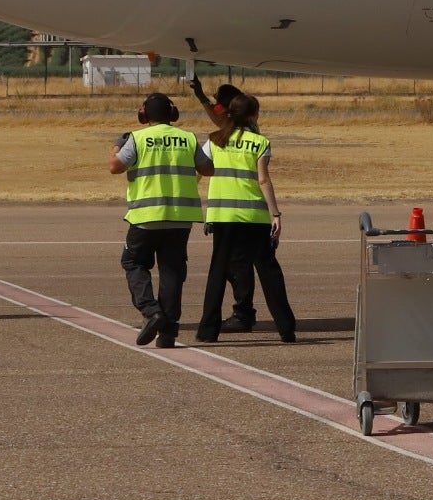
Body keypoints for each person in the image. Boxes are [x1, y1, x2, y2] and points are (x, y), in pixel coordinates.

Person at [195, 93, 296, 343]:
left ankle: (208, 330)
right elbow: (263, 179)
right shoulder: (260, 142)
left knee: (217, 271)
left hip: (222, 215)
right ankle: (286, 328)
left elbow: (199, 170)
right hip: (253, 215)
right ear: (253, 116)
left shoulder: (215, 140)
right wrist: (275, 213)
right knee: (268, 270)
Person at [109, 92, 203, 348]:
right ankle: (168, 333)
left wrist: (118, 146)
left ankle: (152, 311)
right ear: (172, 114)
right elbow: (207, 168)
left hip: (146, 216)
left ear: (143, 115)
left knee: (133, 262)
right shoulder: (188, 138)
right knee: (172, 271)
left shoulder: (138, 138)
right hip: (181, 218)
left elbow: (115, 167)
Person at [188, 77, 260, 331]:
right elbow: (218, 117)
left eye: (220, 104)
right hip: (248, 213)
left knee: (234, 265)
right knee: (241, 265)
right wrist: (202, 99)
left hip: (230, 214)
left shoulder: (225, 137)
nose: (217, 108)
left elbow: (202, 166)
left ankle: (243, 313)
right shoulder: (248, 134)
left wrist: (202, 99)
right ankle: (244, 311)